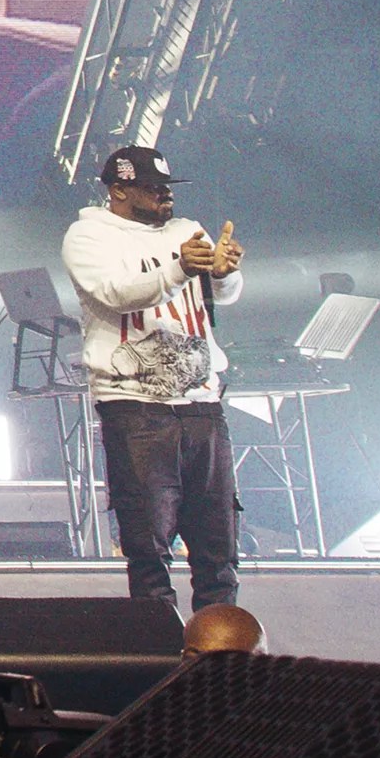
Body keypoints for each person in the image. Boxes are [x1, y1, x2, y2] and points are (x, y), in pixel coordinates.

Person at [62, 145, 245, 613]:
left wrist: (222, 275)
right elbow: (117, 294)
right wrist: (182, 267)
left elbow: (221, 296)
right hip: (136, 406)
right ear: (119, 190)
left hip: (201, 404)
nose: (165, 195)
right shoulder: (88, 237)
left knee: (218, 546)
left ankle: (220, 657)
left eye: (167, 187)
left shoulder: (186, 230)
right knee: (148, 546)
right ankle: (161, 657)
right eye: (153, 188)